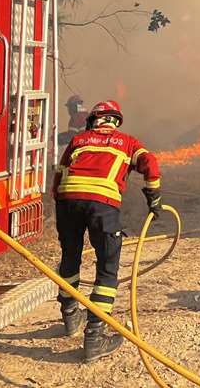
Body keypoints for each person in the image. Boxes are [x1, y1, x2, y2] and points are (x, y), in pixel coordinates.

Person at [52, 99, 162, 363]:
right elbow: (149, 162)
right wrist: (154, 199)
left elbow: (59, 173)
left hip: (68, 200)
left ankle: (69, 315)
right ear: (115, 122)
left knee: (70, 259)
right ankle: (94, 337)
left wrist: (62, 203)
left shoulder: (79, 140)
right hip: (102, 204)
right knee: (107, 268)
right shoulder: (127, 141)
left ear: (93, 121)